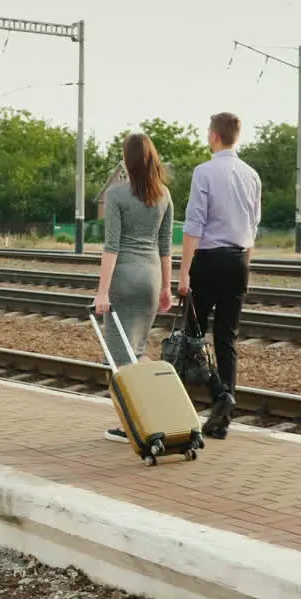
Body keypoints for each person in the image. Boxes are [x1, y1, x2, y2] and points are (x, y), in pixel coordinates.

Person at [178, 112, 262, 441]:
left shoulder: (204, 171)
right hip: (239, 261)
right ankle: (222, 422)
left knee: (192, 338)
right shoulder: (251, 175)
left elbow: (194, 224)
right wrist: (247, 267)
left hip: (208, 261)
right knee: (227, 340)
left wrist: (184, 271)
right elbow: (252, 227)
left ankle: (218, 395)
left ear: (214, 136)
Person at [93, 133, 174, 443]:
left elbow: (111, 246)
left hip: (124, 279)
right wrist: (167, 288)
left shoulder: (116, 195)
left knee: (117, 359)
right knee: (137, 351)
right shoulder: (163, 194)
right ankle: (158, 409)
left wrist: (102, 292)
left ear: (127, 160)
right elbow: (166, 247)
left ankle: (132, 424)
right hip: (151, 279)